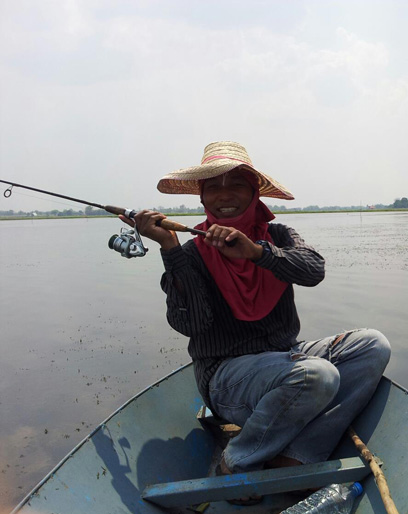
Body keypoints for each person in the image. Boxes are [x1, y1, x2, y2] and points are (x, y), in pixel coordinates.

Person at [121, 141, 390, 495]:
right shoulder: (189, 254)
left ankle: (297, 454)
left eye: (236, 184)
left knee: (372, 345)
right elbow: (192, 324)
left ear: (254, 193)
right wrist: (169, 249)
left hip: (283, 358)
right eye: (213, 187)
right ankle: (236, 460)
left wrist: (256, 253)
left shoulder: (276, 236)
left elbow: (313, 270)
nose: (224, 194)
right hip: (226, 379)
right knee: (317, 376)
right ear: (202, 199)